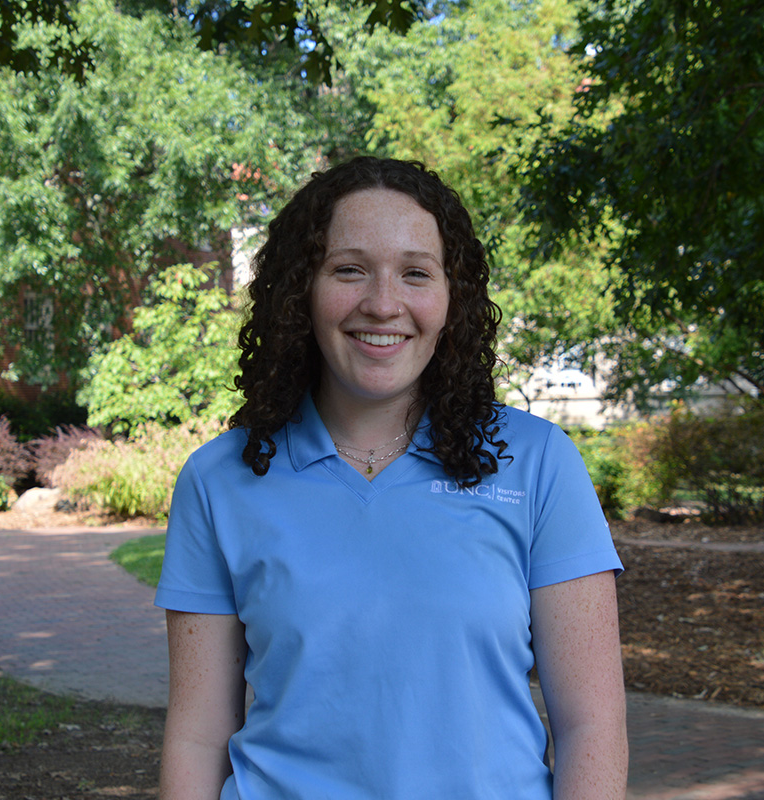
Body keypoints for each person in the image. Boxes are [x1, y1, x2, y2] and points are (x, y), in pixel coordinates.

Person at [155, 156, 628, 800]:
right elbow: (198, 734)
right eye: (349, 270)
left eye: (415, 273)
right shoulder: (218, 480)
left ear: (450, 297)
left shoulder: (539, 462)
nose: (383, 305)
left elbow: (591, 726)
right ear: (301, 292)